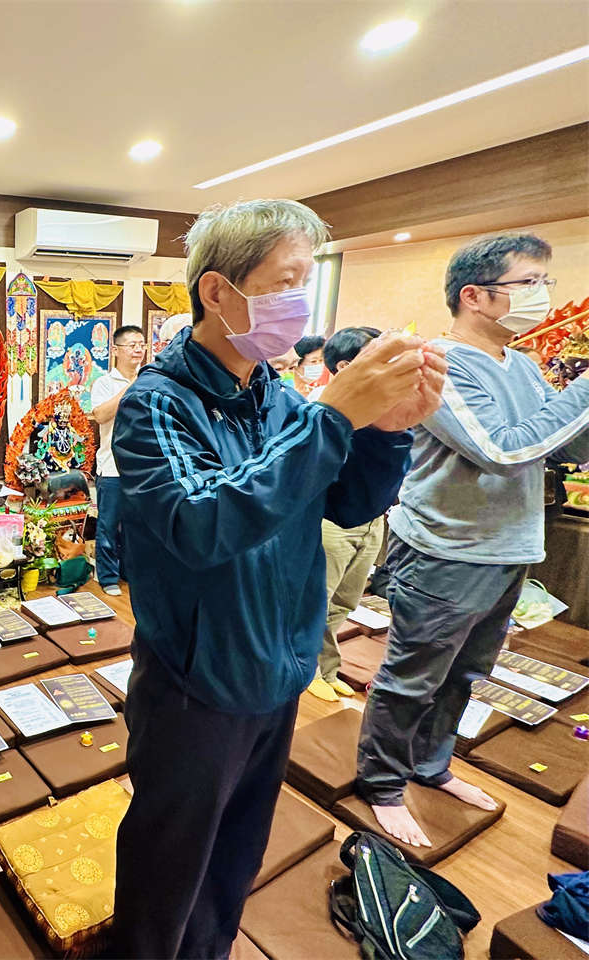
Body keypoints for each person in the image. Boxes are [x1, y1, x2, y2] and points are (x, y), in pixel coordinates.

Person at [110, 200, 447, 959]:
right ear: (217, 291)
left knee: (235, 857)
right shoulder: (155, 404)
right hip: (196, 681)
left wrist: (385, 433)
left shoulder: (278, 396)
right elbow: (202, 524)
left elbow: (348, 502)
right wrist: (330, 419)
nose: (299, 301)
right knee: (168, 868)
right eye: (284, 282)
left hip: (279, 665)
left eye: (306, 282)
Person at [356, 233, 589, 847]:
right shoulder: (436, 363)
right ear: (475, 296)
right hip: (446, 549)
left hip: (508, 546)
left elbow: (558, 444)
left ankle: (431, 765)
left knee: (467, 673)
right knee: (414, 677)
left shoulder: (525, 365)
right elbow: (501, 451)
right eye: (528, 283)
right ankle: (382, 783)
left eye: (545, 282)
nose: (542, 294)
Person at [306, 326, 386, 702]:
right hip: (334, 520)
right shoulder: (325, 405)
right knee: (318, 602)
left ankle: (327, 667)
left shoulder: (384, 404)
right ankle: (308, 671)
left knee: (345, 602)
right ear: (344, 366)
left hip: (372, 519)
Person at [89, 324, 147, 596]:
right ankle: (108, 576)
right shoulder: (104, 383)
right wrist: (133, 386)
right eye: (132, 345)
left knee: (138, 526)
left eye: (142, 344)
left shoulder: (150, 379)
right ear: (115, 350)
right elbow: (100, 415)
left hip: (143, 467)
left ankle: (131, 572)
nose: (138, 350)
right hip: (111, 466)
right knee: (108, 525)